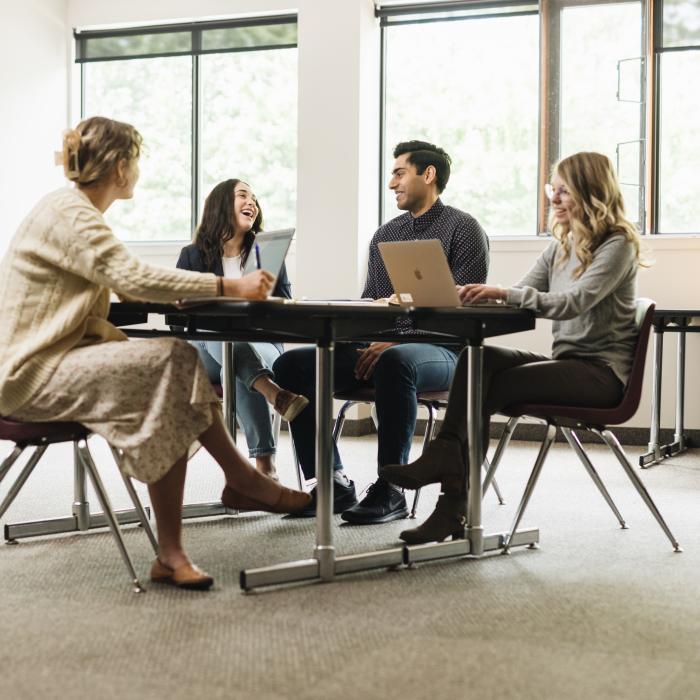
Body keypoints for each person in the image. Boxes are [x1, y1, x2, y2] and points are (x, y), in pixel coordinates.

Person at [0, 116, 310, 591]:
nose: (139, 170)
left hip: (51, 362)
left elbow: (112, 285)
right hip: (30, 374)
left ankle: (182, 542)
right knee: (173, 362)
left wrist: (164, 294)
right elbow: (131, 275)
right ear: (122, 165)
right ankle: (240, 485)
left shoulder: (73, 212)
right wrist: (229, 285)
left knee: (174, 368)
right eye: (137, 160)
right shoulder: (71, 214)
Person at [380, 151, 644, 544]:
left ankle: (451, 496)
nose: (553, 198)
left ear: (591, 193)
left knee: (491, 386)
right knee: (476, 358)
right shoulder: (562, 245)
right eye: (551, 190)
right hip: (568, 364)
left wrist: (506, 293)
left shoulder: (618, 243)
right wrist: (472, 295)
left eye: (562, 191)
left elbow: (575, 301)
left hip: (601, 375)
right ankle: (450, 481)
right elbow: (523, 292)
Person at [273, 140, 489, 523]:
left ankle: (391, 488)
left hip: (445, 352)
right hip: (384, 349)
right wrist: (354, 337)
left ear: (428, 174)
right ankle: (332, 482)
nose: (392, 184)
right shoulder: (385, 234)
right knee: (292, 365)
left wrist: (394, 341)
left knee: (395, 360)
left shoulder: (464, 228)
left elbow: (462, 313)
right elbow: (371, 302)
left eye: (399, 173)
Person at [176, 179, 307, 481]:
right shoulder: (192, 255)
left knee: (233, 361)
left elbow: (285, 305)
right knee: (220, 339)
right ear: (221, 203)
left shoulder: (266, 252)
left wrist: (262, 303)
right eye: (243, 196)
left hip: (260, 342)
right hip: (204, 350)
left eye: (255, 199)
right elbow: (179, 315)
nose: (252, 203)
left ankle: (262, 466)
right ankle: (274, 401)